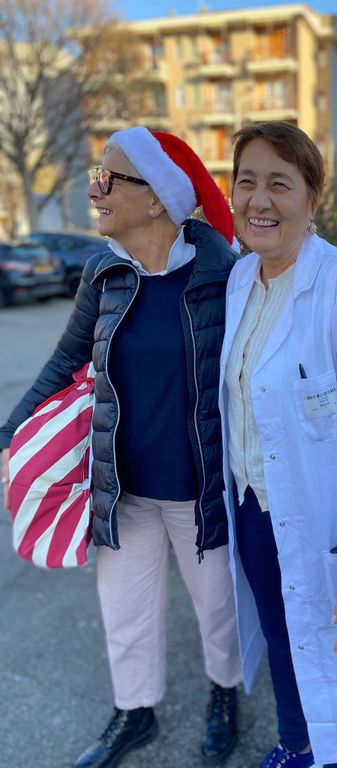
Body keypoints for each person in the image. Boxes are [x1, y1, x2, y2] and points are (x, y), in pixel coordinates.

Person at [0, 127, 242, 768]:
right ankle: (135, 712)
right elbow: (64, 364)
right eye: (96, 176)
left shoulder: (224, 272)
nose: (94, 191)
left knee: (219, 610)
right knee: (125, 611)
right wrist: (9, 435)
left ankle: (225, 696)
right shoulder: (103, 272)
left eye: (108, 179)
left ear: (157, 198)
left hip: (200, 491)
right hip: (123, 488)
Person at [219, 122, 337, 768]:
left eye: (280, 183)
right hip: (253, 507)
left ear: (313, 196)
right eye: (247, 181)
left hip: (324, 520)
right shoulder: (240, 281)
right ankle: (296, 743)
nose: (259, 200)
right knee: (283, 638)